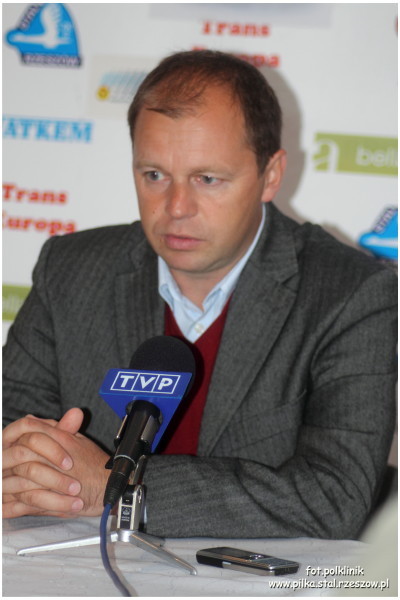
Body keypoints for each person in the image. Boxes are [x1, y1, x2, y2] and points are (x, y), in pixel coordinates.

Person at [2, 50, 397, 539]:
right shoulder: (70, 269)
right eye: (154, 175)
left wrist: (118, 488)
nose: (176, 207)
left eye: (207, 179)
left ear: (271, 175)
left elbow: (335, 498)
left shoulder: (350, 294)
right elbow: (11, 434)